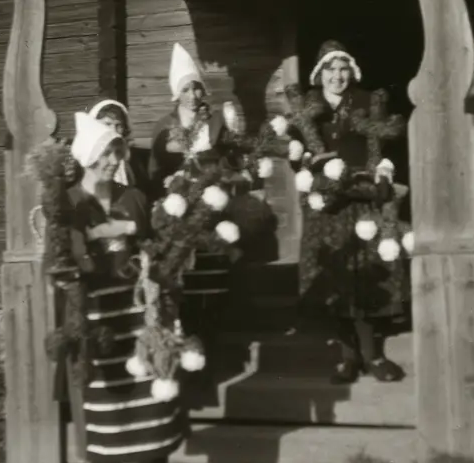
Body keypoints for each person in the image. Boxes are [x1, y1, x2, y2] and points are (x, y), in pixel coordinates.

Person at [67, 111, 197, 463]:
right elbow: (66, 259)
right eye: (105, 153)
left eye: (117, 151)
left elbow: (150, 245)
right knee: (108, 404)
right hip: (98, 317)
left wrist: (153, 264)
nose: (112, 160)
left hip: (140, 309)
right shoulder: (69, 203)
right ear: (87, 156)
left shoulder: (134, 197)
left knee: (153, 393)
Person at [290, 40, 409, 385]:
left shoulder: (368, 103)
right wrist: (305, 163)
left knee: (367, 275)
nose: (337, 76)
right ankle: (347, 358)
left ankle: (374, 356)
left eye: (344, 69)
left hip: (362, 198)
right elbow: (296, 154)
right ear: (320, 74)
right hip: (328, 205)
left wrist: (383, 169)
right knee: (335, 278)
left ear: (352, 73)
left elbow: (385, 145)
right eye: (331, 70)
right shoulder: (307, 108)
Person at [148, 43, 266, 332]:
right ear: (176, 92)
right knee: (182, 261)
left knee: (215, 258)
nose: (193, 96)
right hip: (178, 207)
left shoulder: (215, 122)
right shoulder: (163, 127)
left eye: (197, 88)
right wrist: (166, 182)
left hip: (212, 202)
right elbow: (155, 169)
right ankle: (186, 323)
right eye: (186, 89)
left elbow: (234, 157)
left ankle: (216, 323)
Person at [87, 99, 148, 194]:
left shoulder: (131, 159)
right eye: (107, 124)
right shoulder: (86, 159)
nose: (113, 130)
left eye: (118, 125)